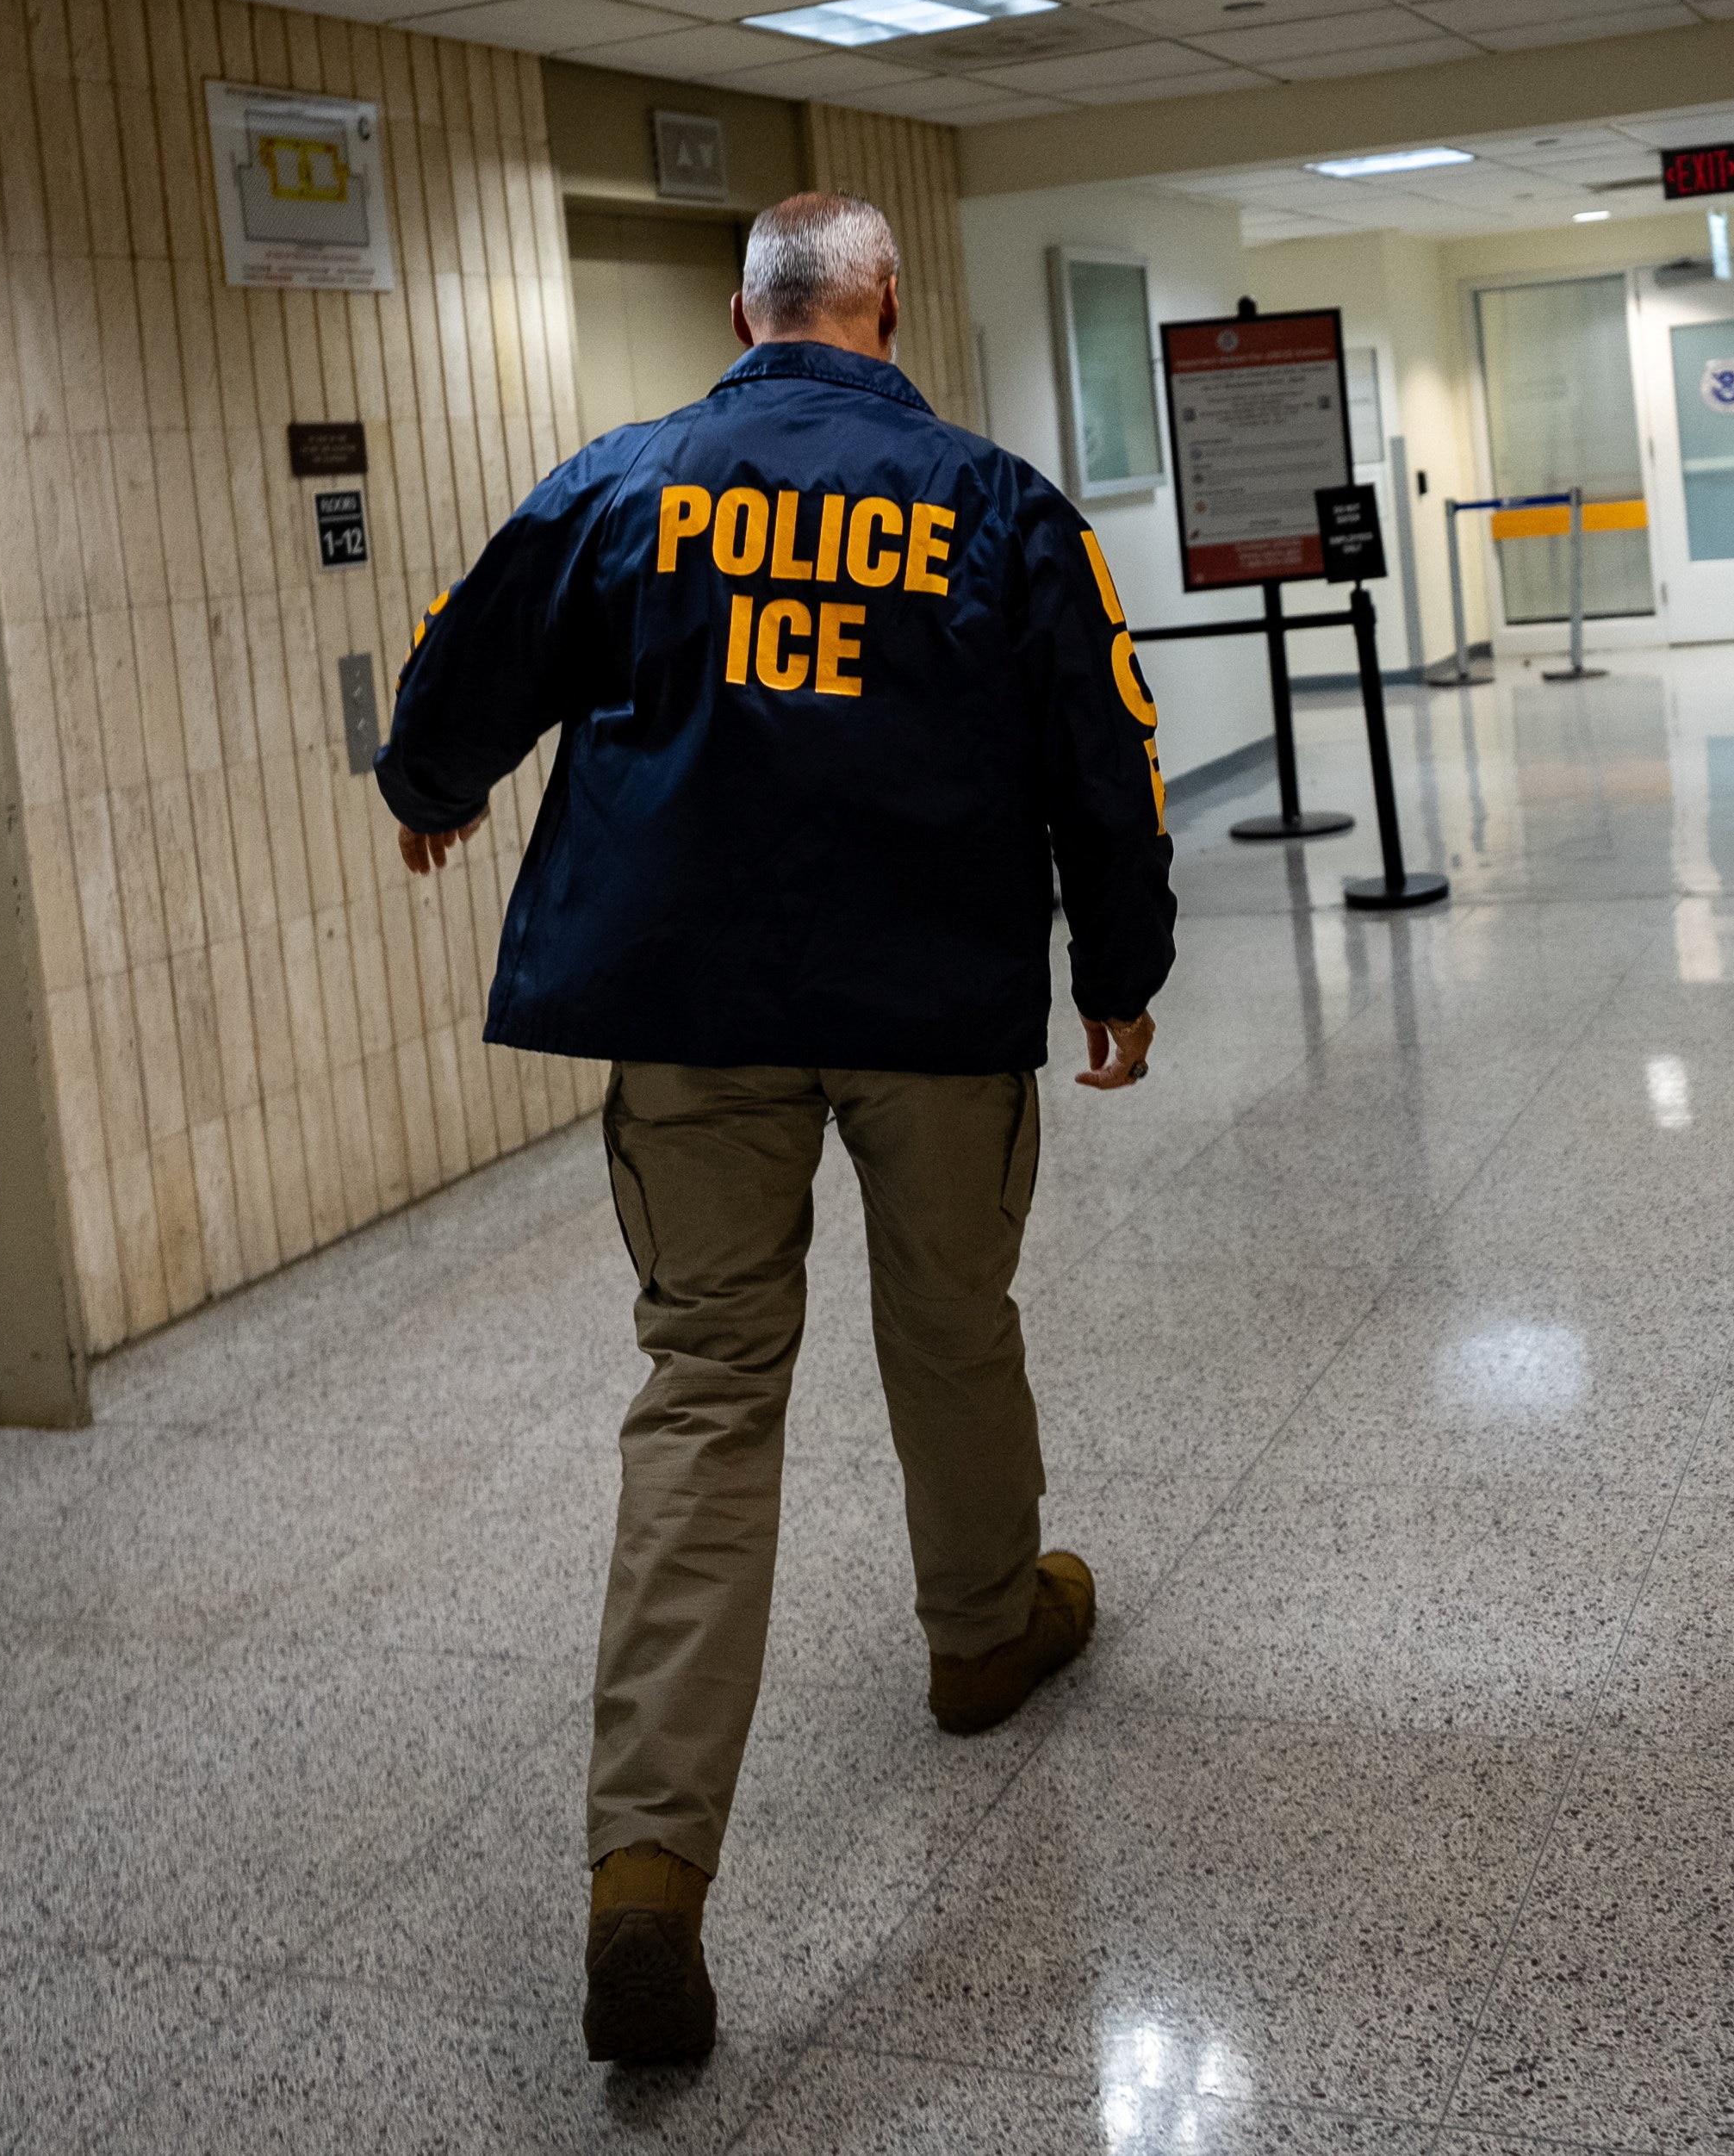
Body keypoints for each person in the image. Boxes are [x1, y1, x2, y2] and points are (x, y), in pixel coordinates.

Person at [371, 190, 1175, 2068]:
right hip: (928, 1008)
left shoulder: (628, 479)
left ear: (744, 312)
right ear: (884, 307)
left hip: (690, 1000)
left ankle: (646, 1873)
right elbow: (1104, 745)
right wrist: (1117, 966)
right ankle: (982, 1629)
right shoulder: (993, 502)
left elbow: (473, 636)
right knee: (951, 1326)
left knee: (708, 1382)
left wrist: (430, 781)